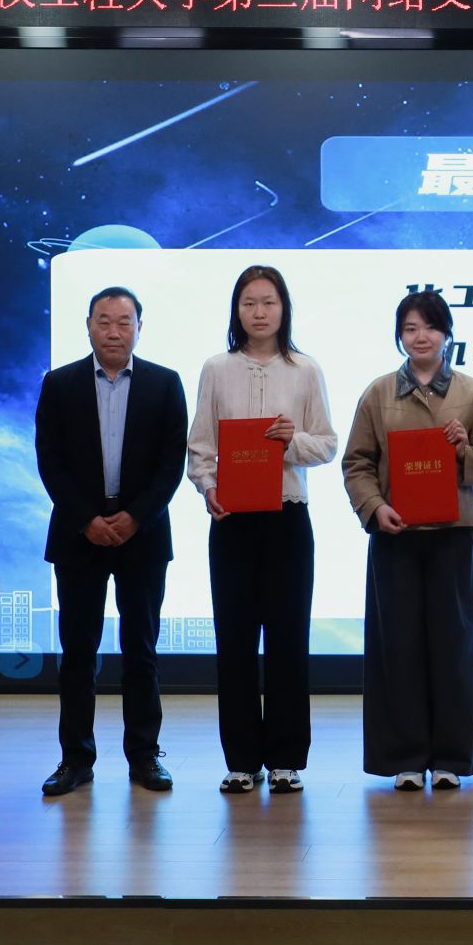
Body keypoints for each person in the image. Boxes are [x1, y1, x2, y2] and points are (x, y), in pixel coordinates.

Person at [341, 290, 473, 792]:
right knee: (399, 648)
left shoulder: (471, 393)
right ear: (399, 336)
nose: (421, 337)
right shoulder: (377, 394)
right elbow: (357, 464)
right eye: (410, 328)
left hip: (454, 536)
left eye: (430, 327)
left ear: (447, 334)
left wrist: (463, 452)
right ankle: (405, 759)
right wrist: (375, 507)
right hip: (396, 535)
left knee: (455, 648)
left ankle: (451, 758)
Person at [33, 286, 190, 797]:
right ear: (88, 326)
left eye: (124, 322)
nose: (114, 331)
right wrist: (86, 519)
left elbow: (171, 463)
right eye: (104, 321)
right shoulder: (59, 384)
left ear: (139, 328)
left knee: (140, 649)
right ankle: (75, 759)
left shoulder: (165, 383)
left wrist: (135, 517)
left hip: (142, 533)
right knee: (78, 652)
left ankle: (145, 756)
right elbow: (49, 460)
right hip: (79, 534)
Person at [187, 265, 337, 796]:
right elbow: (200, 445)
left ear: (283, 308)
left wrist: (292, 441)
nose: (259, 312)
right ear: (236, 310)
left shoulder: (305, 370)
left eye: (269, 302)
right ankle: (242, 760)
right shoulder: (216, 368)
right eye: (249, 302)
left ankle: (287, 759)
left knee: (288, 640)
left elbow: (327, 444)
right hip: (231, 520)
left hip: (287, 518)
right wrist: (208, 489)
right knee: (234, 641)